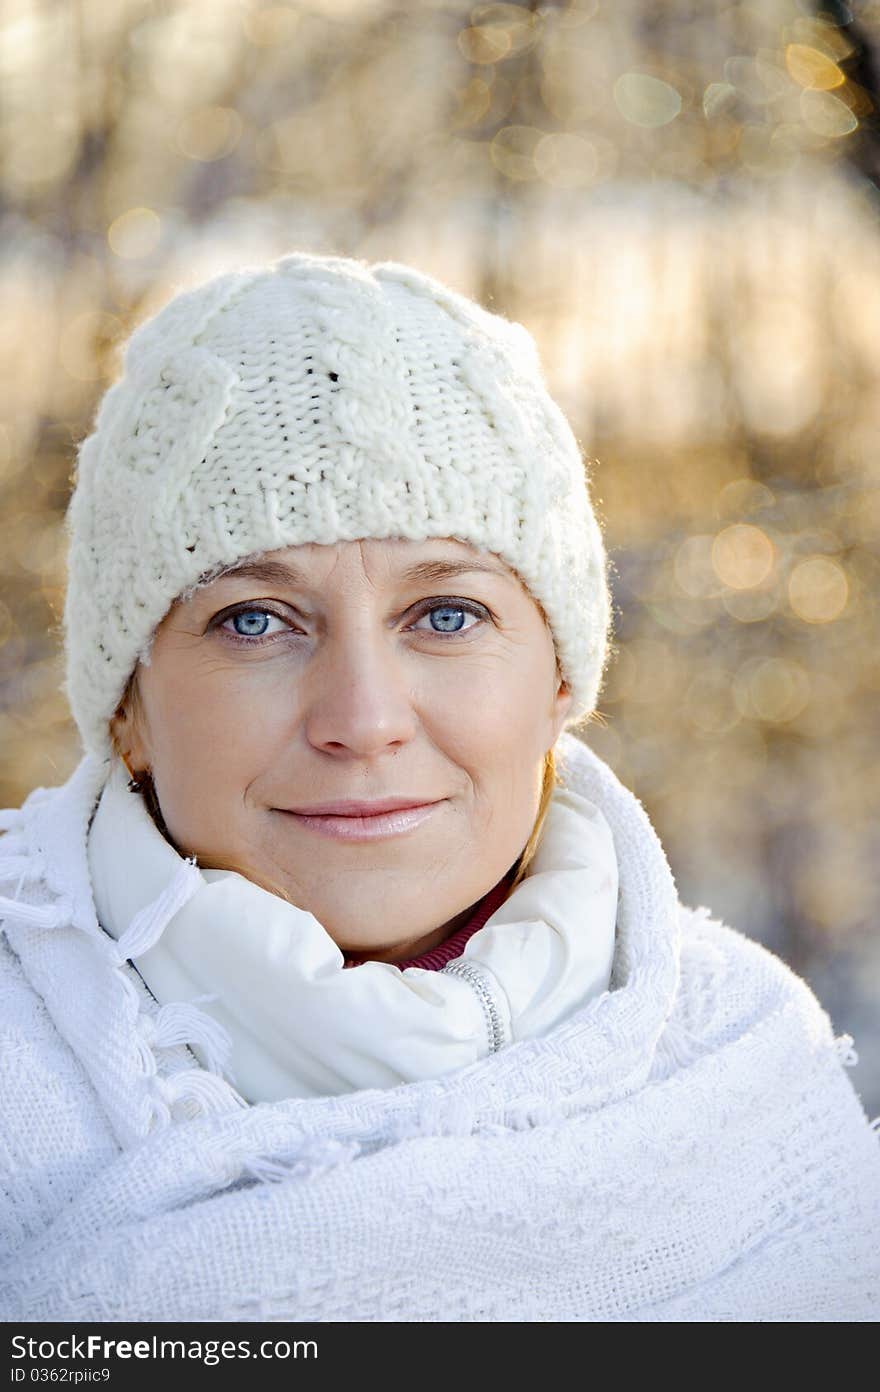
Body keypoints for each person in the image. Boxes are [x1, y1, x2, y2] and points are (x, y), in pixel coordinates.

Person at [0, 251, 877, 1322]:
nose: (363, 720)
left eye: (445, 615)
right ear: (126, 709)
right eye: (253, 620)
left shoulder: (742, 1066)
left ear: (559, 677)